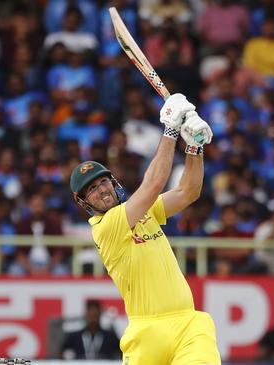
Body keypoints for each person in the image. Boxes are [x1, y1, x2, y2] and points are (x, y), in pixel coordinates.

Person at [69, 93, 219, 364]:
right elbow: (153, 184)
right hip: (147, 332)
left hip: (189, 324)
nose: (101, 190)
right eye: (92, 189)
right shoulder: (105, 227)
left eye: (102, 182)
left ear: (112, 182)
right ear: (83, 202)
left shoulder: (144, 212)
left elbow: (188, 192)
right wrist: (171, 130)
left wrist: (195, 147)